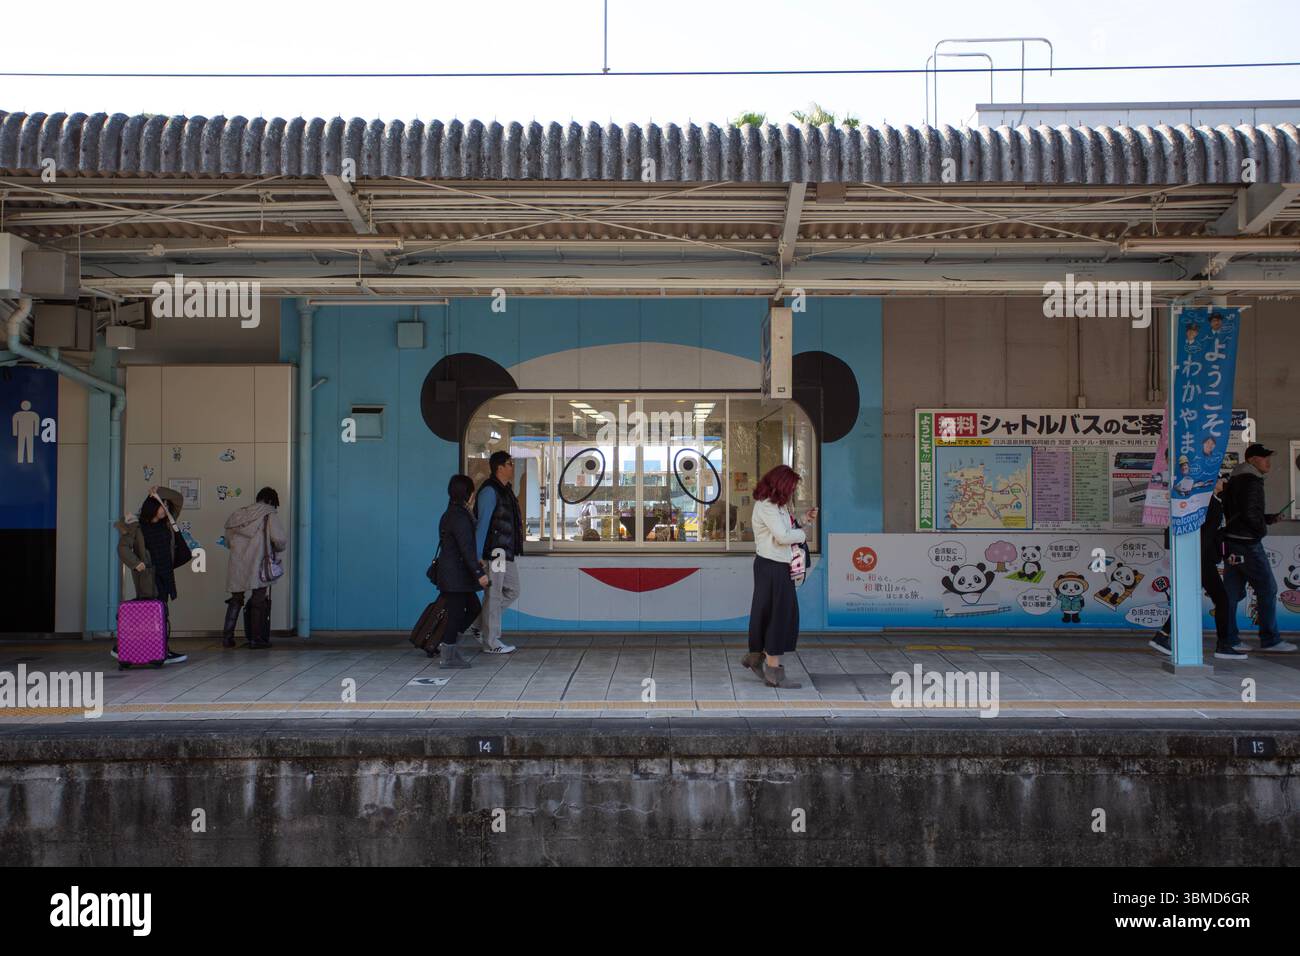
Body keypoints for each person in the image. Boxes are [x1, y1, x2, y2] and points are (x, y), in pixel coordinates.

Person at [743, 464, 817, 688]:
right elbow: (784, 536)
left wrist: (803, 520)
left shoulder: (778, 506)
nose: (793, 492)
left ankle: (756, 657)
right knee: (779, 616)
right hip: (773, 567)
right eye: (791, 487)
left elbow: (786, 529)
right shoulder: (767, 506)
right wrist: (803, 533)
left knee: (768, 613)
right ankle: (773, 672)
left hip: (775, 566)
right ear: (781, 485)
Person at [1151, 475, 1241, 660]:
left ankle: (1163, 635)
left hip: (1198, 558)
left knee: (1186, 598)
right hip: (1201, 559)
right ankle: (1223, 645)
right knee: (1222, 599)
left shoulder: (1209, 503)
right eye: (1220, 479)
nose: (1224, 482)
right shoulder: (1212, 505)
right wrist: (1208, 557)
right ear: (1213, 483)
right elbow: (1208, 536)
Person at [1221, 444, 1296, 653]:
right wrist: (1260, 529)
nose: (1268, 462)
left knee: (1231, 593)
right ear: (1253, 460)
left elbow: (1243, 512)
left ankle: (1229, 639)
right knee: (1267, 588)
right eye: (1264, 458)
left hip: (1232, 542)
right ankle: (1270, 639)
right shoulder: (1251, 481)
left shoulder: (1235, 479)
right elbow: (1249, 514)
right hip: (1247, 543)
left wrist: (1267, 518)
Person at [114, 485, 189, 664]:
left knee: (159, 612)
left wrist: (159, 492)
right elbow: (122, 547)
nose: (165, 508)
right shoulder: (136, 526)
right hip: (149, 575)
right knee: (153, 613)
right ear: (151, 507)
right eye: (161, 505)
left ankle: (158, 649)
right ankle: (156, 650)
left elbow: (178, 499)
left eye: (165, 505)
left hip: (166, 574)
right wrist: (136, 563)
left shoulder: (167, 523)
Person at [434, 474, 491, 668]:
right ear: (468, 494)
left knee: (473, 609)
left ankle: (451, 649)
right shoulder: (459, 516)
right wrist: (479, 574)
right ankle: (448, 655)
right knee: (456, 614)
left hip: (457, 575)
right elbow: (466, 549)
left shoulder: (452, 513)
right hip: (455, 576)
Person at [468, 450, 521, 654]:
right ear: (499, 467)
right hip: (495, 552)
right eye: (509, 463)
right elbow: (482, 525)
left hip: (505, 551)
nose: (512, 467)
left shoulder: (505, 489)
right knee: (494, 594)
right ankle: (491, 642)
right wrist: (478, 555)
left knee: (513, 590)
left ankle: (479, 625)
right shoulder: (490, 491)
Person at [222, 487, 288, 649]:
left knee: (236, 599)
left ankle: (227, 637)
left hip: (238, 563)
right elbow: (279, 539)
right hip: (258, 564)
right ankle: (256, 639)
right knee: (258, 600)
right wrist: (276, 548)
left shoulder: (239, 514)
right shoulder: (268, 514)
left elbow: (228, 541)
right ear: (271, 501)